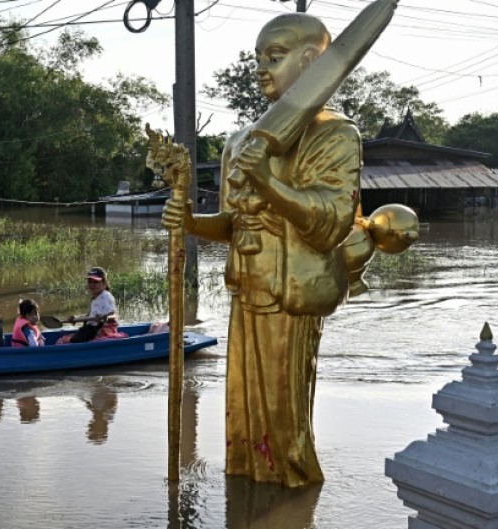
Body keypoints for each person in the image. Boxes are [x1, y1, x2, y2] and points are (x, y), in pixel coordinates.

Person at [162, 13, 361, 487]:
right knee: (244, 411)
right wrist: (189, 221)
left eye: (274, 57)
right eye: (258, 59)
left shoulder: (334, 134)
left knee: (281, 406)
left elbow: (331, 221)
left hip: (290, 289)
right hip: (246, 284)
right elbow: (234, 223)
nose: (261, 69)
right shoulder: (242, 140)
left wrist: (269, 182)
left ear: (311, 60)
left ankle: (291, 492)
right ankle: (248, 488)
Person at [57, 266, 119, 344]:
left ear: (104, 284)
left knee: (70, 340)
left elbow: (113, 316)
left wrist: (105, 318)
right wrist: (75, 318)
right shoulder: (96, 298)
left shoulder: (106, 296)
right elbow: (90, 317)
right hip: (93, 328)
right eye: (90, 281)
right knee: (79, 333)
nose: (92, 284)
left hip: (100, 330)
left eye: (96, 282)